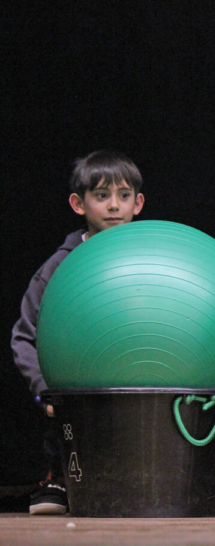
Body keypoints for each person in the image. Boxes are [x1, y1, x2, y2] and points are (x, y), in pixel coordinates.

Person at [11, 150, 145, 514]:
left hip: (137, 375)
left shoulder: (151, 259)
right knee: (74, 415)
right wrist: (43, 389)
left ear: (138, 203)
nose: (114, 206)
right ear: (78, 204)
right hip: (78, 384)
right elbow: (25, 335)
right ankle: (58, 480)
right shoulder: (59, 267)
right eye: (101, 196)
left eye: (124, 196)